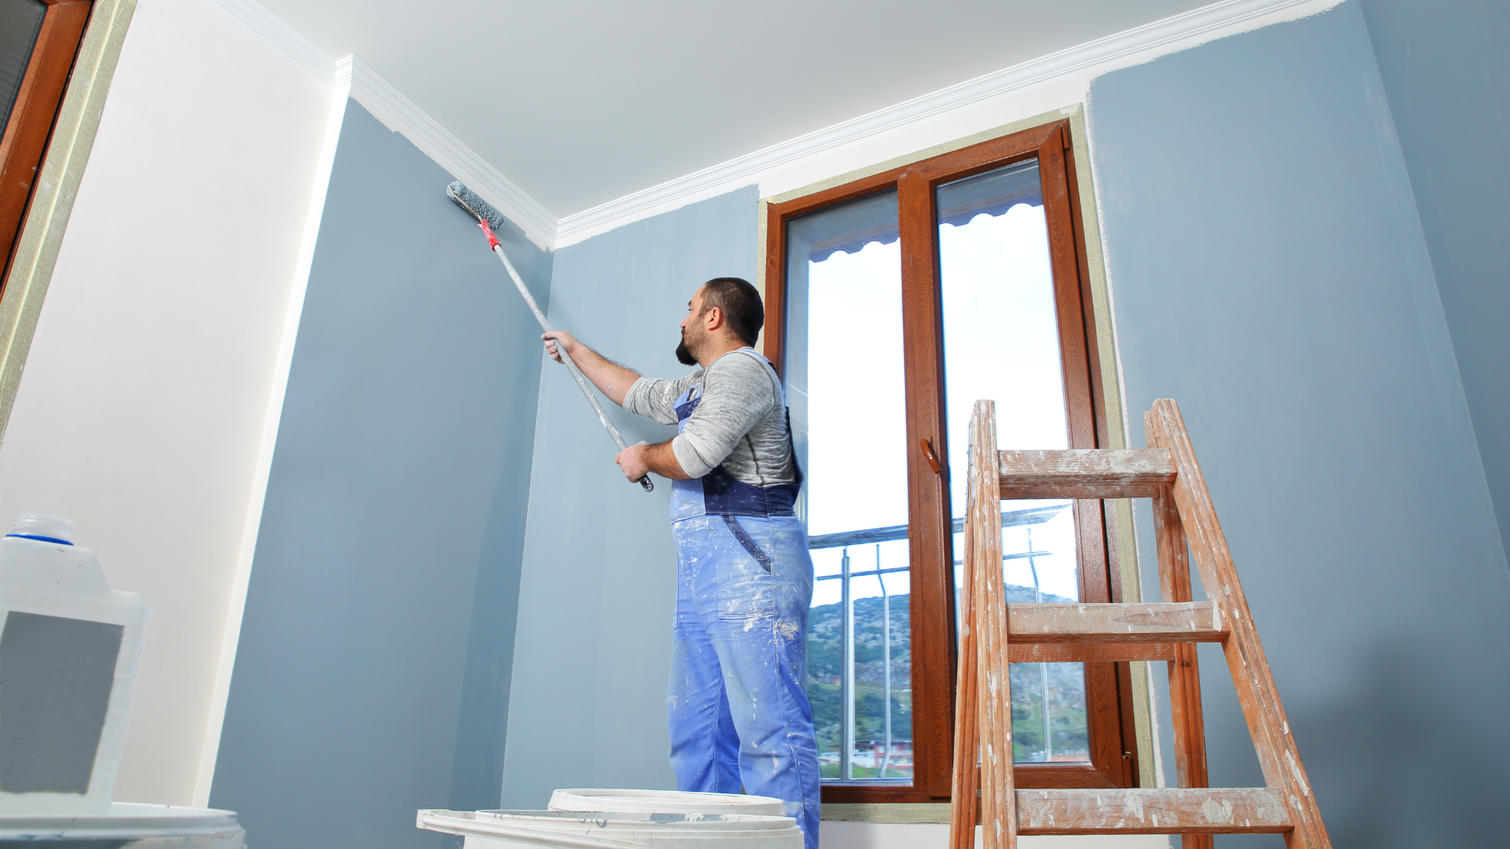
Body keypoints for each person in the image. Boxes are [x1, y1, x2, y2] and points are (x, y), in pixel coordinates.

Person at [541, 277, 820, 849]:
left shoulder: (742, 371)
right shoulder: (705, 384)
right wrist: (577, 350)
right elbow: (639, 393)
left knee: (768, 728)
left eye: (690, 309)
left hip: (752, 562)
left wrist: (642, 454)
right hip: (708, 571)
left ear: (714, 318)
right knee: (696, 733)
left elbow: (694, 455)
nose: (683, 319)